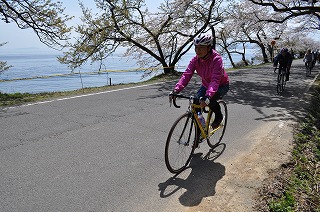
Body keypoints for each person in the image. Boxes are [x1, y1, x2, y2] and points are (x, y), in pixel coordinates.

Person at [170, 34, 230, 129]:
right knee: (196, 105)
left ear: (209, 48)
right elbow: (187, 74)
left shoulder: (216, 59)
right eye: (196, 48)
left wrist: (208, 96)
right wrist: (176, 90)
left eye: (201, 48)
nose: (198, 51)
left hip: (221, 85)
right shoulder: (195, 60)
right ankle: (201, 128)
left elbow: (215, 80)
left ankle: (219, 116)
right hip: (206, 85)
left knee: (211, 100)